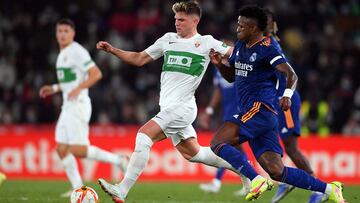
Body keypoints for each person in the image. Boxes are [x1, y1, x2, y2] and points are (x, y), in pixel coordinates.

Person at [95, 1, 249, 203]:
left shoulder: (206, 42)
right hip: (169, 108)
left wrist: (259, 57)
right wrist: (113, 50)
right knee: (195, 154)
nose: (177, 23)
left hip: (183, 108)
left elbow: (235, 54)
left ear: (195, 20)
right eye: (176, 19)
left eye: (182, 20)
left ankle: (121, 190)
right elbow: (139, 58)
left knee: (143, 136)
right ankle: (245, 171)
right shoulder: (167, 39)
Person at [209, 6, 345, 203]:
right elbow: (232, 77)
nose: (237, 28)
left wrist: (287, 95)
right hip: (261, 117)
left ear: (254, 28)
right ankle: (329, 189)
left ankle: (255, 179)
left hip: (259, 109)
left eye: (241, 25)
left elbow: (290, 74)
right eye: (237, 24)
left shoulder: (268, 48)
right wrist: (220, 65)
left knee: (217, 142)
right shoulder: (240, 45)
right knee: (277, 171)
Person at [39, 19, 128, 197]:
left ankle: (118, 160)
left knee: (77, 150)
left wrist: (79, 89)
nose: (62, 34)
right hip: (67, 106)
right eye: (59, 31)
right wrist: (55, 88)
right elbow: (70, 81)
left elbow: (96, 74)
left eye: (66, 31)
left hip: (78, 105)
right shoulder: (62, 54)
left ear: (73, 33)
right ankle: (77, 187)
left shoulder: (77, 51)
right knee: (61, 148)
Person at [263, 10, 324, 203]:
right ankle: (287, 178)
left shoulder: (270, 44)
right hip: (274, 100)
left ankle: (318, 187)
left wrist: (285, 95)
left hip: (284, 100)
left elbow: (288, 74)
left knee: (291, 146)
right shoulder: (261, 44)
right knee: (275, 141)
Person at [198, 52, 250, 196]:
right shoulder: (219, 69)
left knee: (225, 145)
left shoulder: (239, 66)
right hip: (227, 112)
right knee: (236, 149)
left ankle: (218, 182)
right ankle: (253, 178)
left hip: (240, 112)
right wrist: (209, 110)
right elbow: (218, 91)